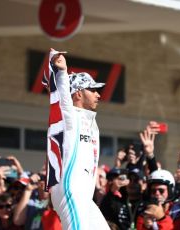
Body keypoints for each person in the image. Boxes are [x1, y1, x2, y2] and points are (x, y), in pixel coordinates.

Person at [46, 48, 110, 229]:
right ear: (78, 94)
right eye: (93, 90)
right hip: (70, 190)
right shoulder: (70, 116)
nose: (98, 94)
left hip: (84, 196)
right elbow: (63, 99)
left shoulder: (89, 121)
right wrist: (62, 71)